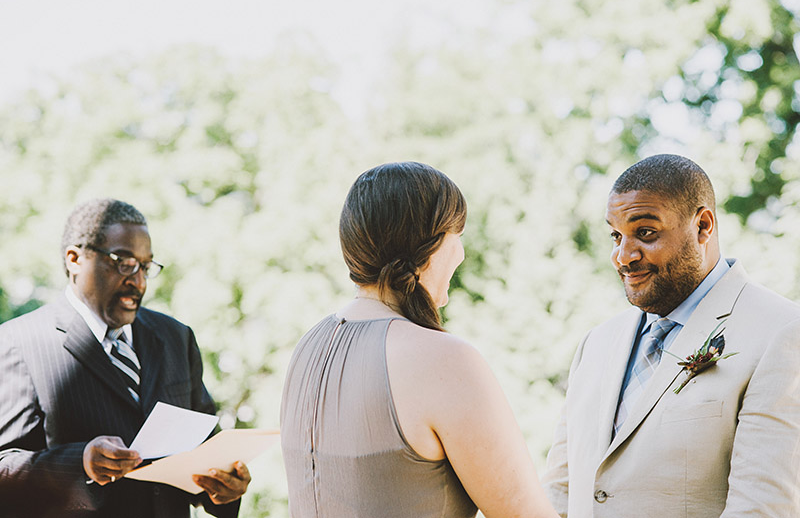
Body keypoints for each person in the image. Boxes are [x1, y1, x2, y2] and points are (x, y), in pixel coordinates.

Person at [280, 162, 558, 518]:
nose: (460, 251)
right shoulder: (443, 359)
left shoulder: (307, 347)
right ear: (429, 245)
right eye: (457, 233)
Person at [542, 154, 800, 517]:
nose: (623, 256)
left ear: (703, 226)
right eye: (616, 235)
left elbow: (761, 509)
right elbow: (559, 492)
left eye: (645, 233)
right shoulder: (595, 344)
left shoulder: (782, 333)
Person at [0, 198, 251, 518]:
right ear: (75, 259)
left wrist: (224, 487)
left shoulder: (176, 338)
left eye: (145, 266)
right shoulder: (18, 343)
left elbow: (205, 453)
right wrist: (81, 463)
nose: (139, 281)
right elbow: (5, 468)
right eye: (123, 262)